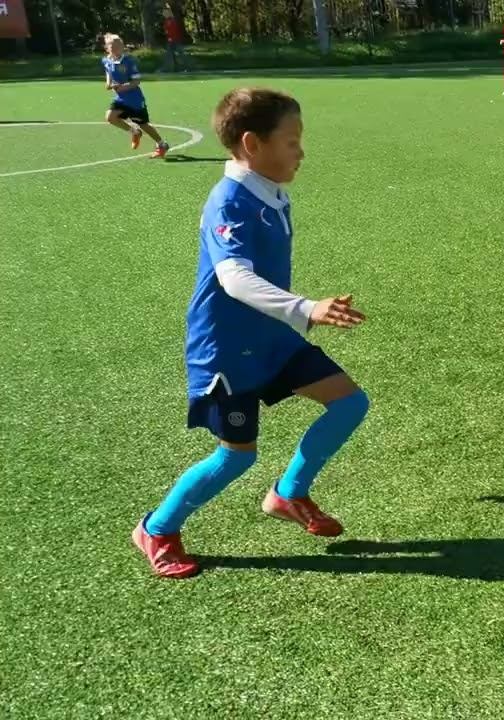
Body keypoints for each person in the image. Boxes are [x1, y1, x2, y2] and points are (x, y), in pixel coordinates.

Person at [131, 88, 371, 579]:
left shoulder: (269, 191)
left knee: (349, 402)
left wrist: (294, 314)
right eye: (291, 141)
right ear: (252, 144)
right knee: (236, 457)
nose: (301, 152)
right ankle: (157, 528)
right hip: (225, 350)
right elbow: (233, 278)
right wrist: (305, 308)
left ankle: (288, 494)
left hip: (272, 338)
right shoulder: (230, 201)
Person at [101, 33, 169, 158]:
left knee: (143, 124)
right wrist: (109, 85)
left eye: (119, 45)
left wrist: (121, 87)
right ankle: (135, 132)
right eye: (113, 45)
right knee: (110, 117)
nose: (117, 48)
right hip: (121, 98)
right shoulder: (106, 61)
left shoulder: (128, 61)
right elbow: (108, 79)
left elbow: (136, 81)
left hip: (134, 99)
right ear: (107, 47)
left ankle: (162, 144)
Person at [162, 8, 189, 72]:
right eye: (164, 13)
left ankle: (186, 67)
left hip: (176, 40)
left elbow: (175, 30)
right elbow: (166, 30)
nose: (164, 14)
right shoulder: (166, 21)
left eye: (166, 13)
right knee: (170, 55)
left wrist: (171, 37)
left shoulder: (173, 21)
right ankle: (173, 68)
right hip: (171, 40)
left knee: (180, 54)